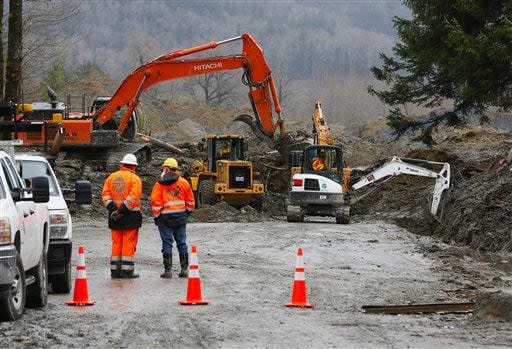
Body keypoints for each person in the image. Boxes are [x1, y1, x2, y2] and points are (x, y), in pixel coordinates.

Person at [150, 157, 195, 279]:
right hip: (180, 218)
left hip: (164, 219)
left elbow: (155, 202)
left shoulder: (159, 184)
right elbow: (191, 202)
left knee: (167, 243)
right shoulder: (184, 182)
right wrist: (186, 213)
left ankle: (168, 271)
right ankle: (184, 270)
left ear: (166, 168)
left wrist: (157, 217)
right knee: (182, 243)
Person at [101, 154, 142, 279]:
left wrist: (114, 210)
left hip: (114, 216)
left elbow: (105, 195)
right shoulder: (135, 179)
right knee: (128, 243)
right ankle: (126, 271)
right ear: (134, 166)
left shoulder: (111, 178)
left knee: (116, 242)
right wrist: (122, 210)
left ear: (122, 165)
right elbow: (133, 197)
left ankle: (115, 271)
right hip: (130, 216)